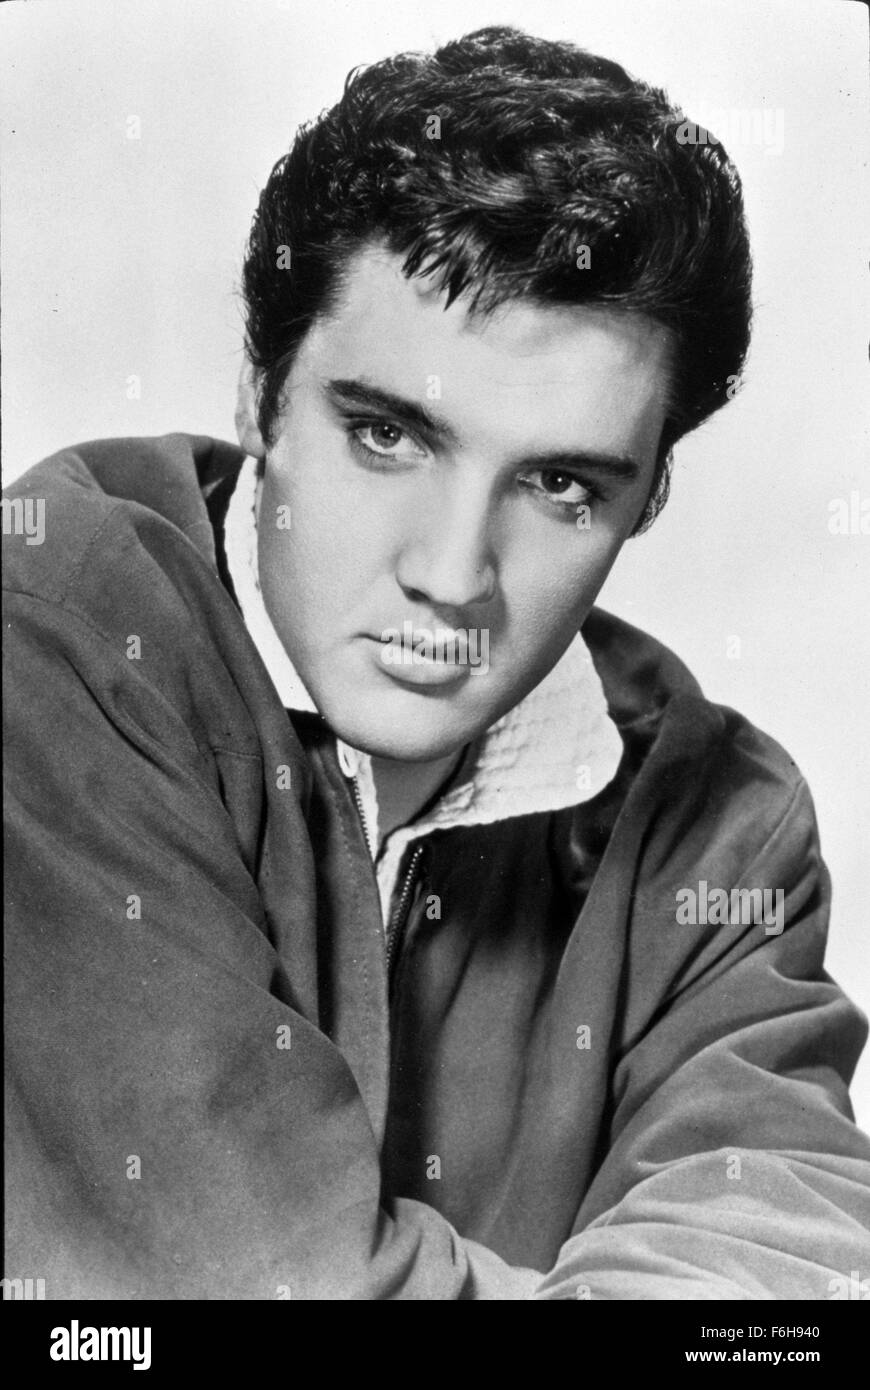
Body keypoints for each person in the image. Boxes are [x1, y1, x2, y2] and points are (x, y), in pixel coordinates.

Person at [4, 24, 869, 1300]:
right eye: (388, 436)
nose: (453, 576)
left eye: (561, 483)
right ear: (259, 396)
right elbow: (255, 1287)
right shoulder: (58, 641)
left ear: (649, 497)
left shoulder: (720, 827)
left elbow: (781, 1289)